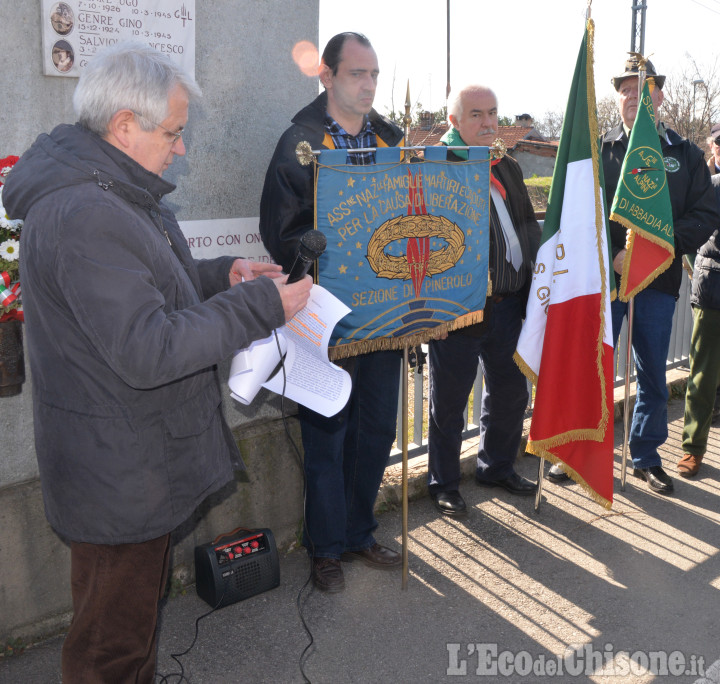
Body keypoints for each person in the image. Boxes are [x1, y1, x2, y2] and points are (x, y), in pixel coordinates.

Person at [2, 42, 311, 683]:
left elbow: (145, 291)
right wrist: (258, 306)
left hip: (125, 460)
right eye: (172, 132)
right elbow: (151, 349)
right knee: (111, 648)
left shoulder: (106, 192)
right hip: (118, 470)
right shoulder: (87, 211)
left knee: (126, 624)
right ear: (123, 125)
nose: (181, 148)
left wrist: (221, 276)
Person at [259, 32, 403, 592]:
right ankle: (325, 546)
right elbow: (280, 229)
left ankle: (360, 531)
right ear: (327, 76)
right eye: (356, 74)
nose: (367, 85)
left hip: (387, 316)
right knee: (326, 431)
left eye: (374, 74)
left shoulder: (392, 139)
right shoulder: (300, 142)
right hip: (327, 316)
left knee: (375, 429)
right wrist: (322, 255)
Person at [551, 57, 718, 494]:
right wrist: (615, 257)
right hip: (608, 280)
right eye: (626, 89)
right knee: (596, 366)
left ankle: (645, 456)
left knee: (651, 375)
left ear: (659, 96)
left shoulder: (684, 153)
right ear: (618, 97)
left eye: (644, 89)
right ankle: (581, 453)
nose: (634, 97)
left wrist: (658, 247)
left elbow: (705, 213)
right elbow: (578, 215)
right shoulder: (599, 148)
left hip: (659, 280)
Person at [426, 84, 541, 518]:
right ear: (453, 121)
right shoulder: (436, 167)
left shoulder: (506, 164)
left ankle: (496, 466)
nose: (489, 122)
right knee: (449, 402)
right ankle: (444, 483)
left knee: (511, 392)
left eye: (493, 113)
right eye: (476, 114)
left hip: (510, 303)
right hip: (459, 307)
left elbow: (528, 225)